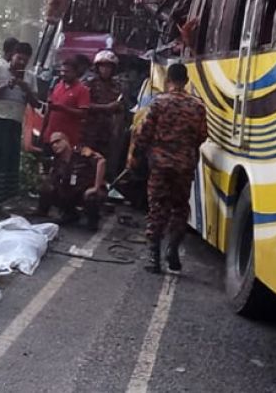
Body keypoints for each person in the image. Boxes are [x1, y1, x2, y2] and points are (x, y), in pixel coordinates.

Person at [133, 62, 207, 275]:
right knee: (180, 207)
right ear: (186, 81)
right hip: (184, 165)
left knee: (157, 206)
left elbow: (144, 132)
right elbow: (202, 135)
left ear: (168, 80)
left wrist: (138, 154)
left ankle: (154, 256)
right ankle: (173, 248)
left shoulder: (159, 103)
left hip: (160, 164)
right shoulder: (197, 106)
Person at [0, 42, 39, 212]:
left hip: (15, 122)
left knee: (9, 161)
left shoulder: (30, 77)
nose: (21, 63)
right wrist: (5, 86)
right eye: (18, 58)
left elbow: (36, 103)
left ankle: (3, 201)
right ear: (12, 56)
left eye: (25, 61)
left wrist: (26, 89)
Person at [35, 131, 106, 228]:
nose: (55, 145)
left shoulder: (81, 151)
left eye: (58, 141)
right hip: (71, 191)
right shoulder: (56, 161)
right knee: (47, 187)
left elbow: (101, 161)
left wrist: (96, 187)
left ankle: (93, 220)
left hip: (86, 190)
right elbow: (52, 179)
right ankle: (69, 214)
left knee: (92, 197)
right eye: (52, 144)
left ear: (66, 141)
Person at [43, 54, 91, 150]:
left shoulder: (82, 90)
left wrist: (63, 108)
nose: (63, 74)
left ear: (75, 72)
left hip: (67, 138)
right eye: (62, 71)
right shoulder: (57, 86)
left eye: (67, 72)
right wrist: (43, 131)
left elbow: (83, 113)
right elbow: (49, 110)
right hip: (50, 135)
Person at [83, 50, 124, 157]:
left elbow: (121, 108)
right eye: (103, 67)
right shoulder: (89, 83)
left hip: (107, 131)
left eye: (108, 67)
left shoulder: (117, 86)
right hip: (89, 130)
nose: (105, 70)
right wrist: (105, 108)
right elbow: (84, 105)